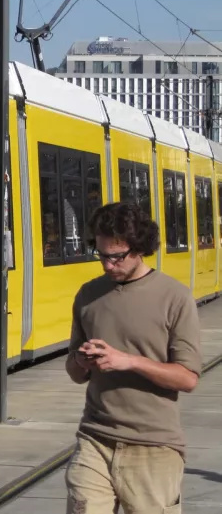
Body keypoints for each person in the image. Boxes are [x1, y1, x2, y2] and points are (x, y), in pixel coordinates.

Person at [64, 202, 201, 513]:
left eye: (116, 257)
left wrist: (129, 361)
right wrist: (81, 361)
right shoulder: (88, 295)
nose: (107, 265)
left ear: (140, 249)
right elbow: (74, 372)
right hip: (95, 438)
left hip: (154, 445)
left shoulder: (175, 297)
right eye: (101, 255)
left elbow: (187, 378)